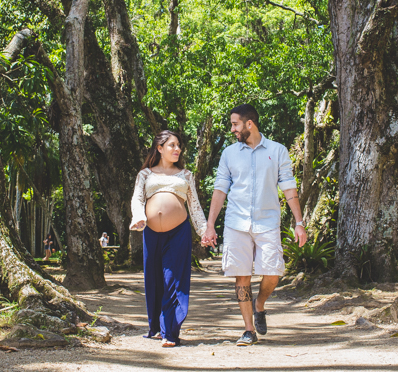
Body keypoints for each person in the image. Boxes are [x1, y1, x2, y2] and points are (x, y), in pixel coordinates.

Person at [202, 104, 306, 346]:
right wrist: (210, 225)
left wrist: (299, 223)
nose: (232, 129)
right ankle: (249, 329)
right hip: (236, 223)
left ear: (250, 124)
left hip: (267, 221)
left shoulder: (278, 151)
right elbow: (220, 189)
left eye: (235, 124)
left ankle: (260, 304)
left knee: (272, 272)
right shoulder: (229, 153)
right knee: (242, 276)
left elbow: (289, 187)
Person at [130, 130, 208, 347]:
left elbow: (194, 206)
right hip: (150, 232)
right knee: (153, 279)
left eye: (179, 146)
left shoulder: (185, 175)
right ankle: (155, 327)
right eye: (172, 145)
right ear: (160, 148)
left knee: (171, 279)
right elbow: (137, 199)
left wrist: (204, 231)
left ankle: (170, 333)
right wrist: (139, 218)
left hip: (178, 232)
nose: (177, 149)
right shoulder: (145, 174)